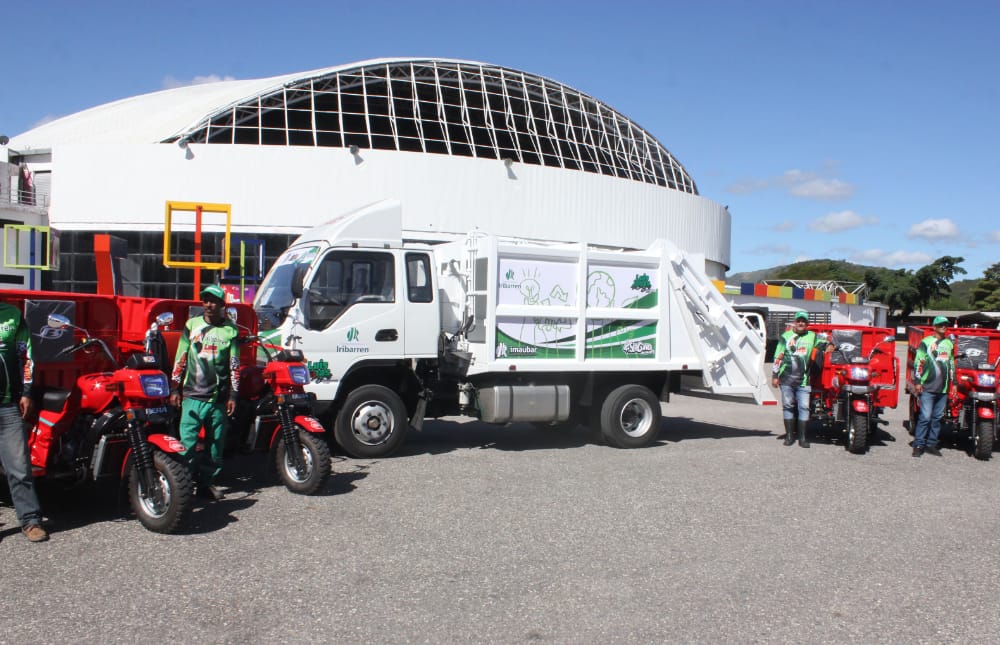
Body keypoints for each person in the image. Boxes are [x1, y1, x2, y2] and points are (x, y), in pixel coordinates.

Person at [169, 285, 241, 500]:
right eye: (205, 300)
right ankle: (183, 488)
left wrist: (234, 396)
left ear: (222, 305)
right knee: (186, 446)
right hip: (191, 397)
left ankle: (206, 484)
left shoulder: (231, 330)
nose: (208, 305)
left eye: (213, 301)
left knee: (215, 447)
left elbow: (235, 365)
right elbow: (180, 357)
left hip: (218, 399)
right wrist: (175, 388)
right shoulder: (192, 325)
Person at [0, 301, 48, 542]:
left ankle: (30, 521)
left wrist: (27, 392)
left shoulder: (12, 316)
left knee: (19, 468)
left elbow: (26, 355)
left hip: (7, 406)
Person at [771, 311, 827, 448]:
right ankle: (790, 436)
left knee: (804, 407)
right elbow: (778, 356)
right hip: (786, 380)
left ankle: (802, 438)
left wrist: (829, 345)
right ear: (795, 322)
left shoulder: (813, 336)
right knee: (788, 406)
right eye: (798, 321)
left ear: (807, 324)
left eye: (804, 321)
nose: (801, 323)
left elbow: (825, 341)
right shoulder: (786, 336)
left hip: (804, 381)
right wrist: (774, 375)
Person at [911, 316, 953, 457]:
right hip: (928, 387)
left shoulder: (949, 343)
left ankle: (931, 444)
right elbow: (919, 362)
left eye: (946, 324)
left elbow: (951, 364)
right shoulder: (926, 342)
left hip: (944, 388)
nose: (944, 326)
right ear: (934, 327)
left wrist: (955, 383)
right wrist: (918, 382)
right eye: (940, 324)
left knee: (937, 418)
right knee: (925, 417)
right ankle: (918, 445)